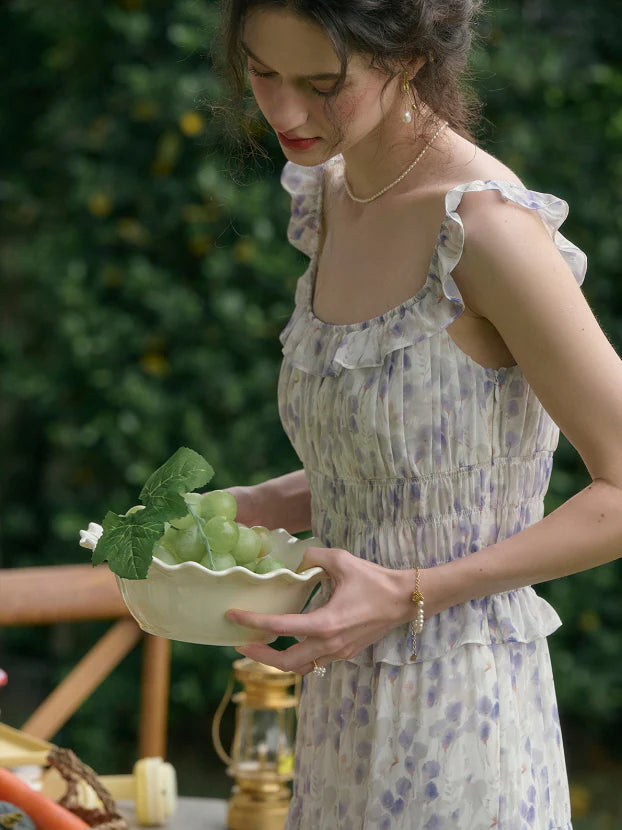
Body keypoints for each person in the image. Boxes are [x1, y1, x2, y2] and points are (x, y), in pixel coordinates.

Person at [217, 1, 622, 828]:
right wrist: (255, 508)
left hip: (464, 721)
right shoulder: (331, 194)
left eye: (323, 84)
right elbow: (422, 458)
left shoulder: (486, 231)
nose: (286, 111)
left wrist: (408, 594)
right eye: (263, 73)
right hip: (342, 713)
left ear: (406, 59)